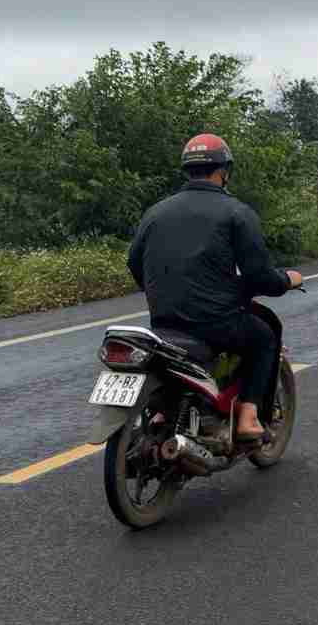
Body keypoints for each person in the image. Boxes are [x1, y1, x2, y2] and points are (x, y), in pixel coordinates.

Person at [127, 133, 302, 445]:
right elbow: (260, 276)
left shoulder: (155, 212)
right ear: (224, 171)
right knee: (263, 337)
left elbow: (135, 263)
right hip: (215, 321)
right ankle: (248, 417)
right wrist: (287, 279)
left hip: (163, 321)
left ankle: (168, 412)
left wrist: (161, 293)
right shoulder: (236, 212)